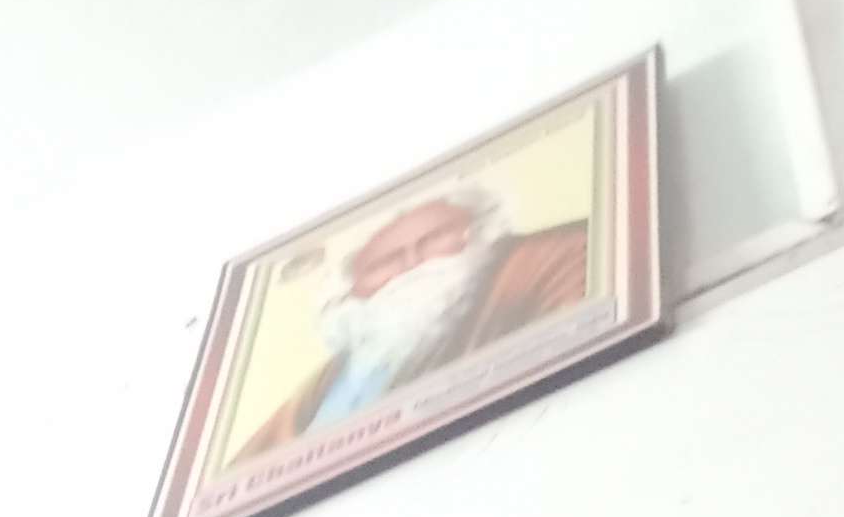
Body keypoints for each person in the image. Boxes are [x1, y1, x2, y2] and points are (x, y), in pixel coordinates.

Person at [229, 184, 589, 462]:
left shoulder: (544, 260)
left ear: (484, 232)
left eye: (433, 239)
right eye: (383, 262)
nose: (413, 263)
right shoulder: (332, 378)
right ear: (353, 290)